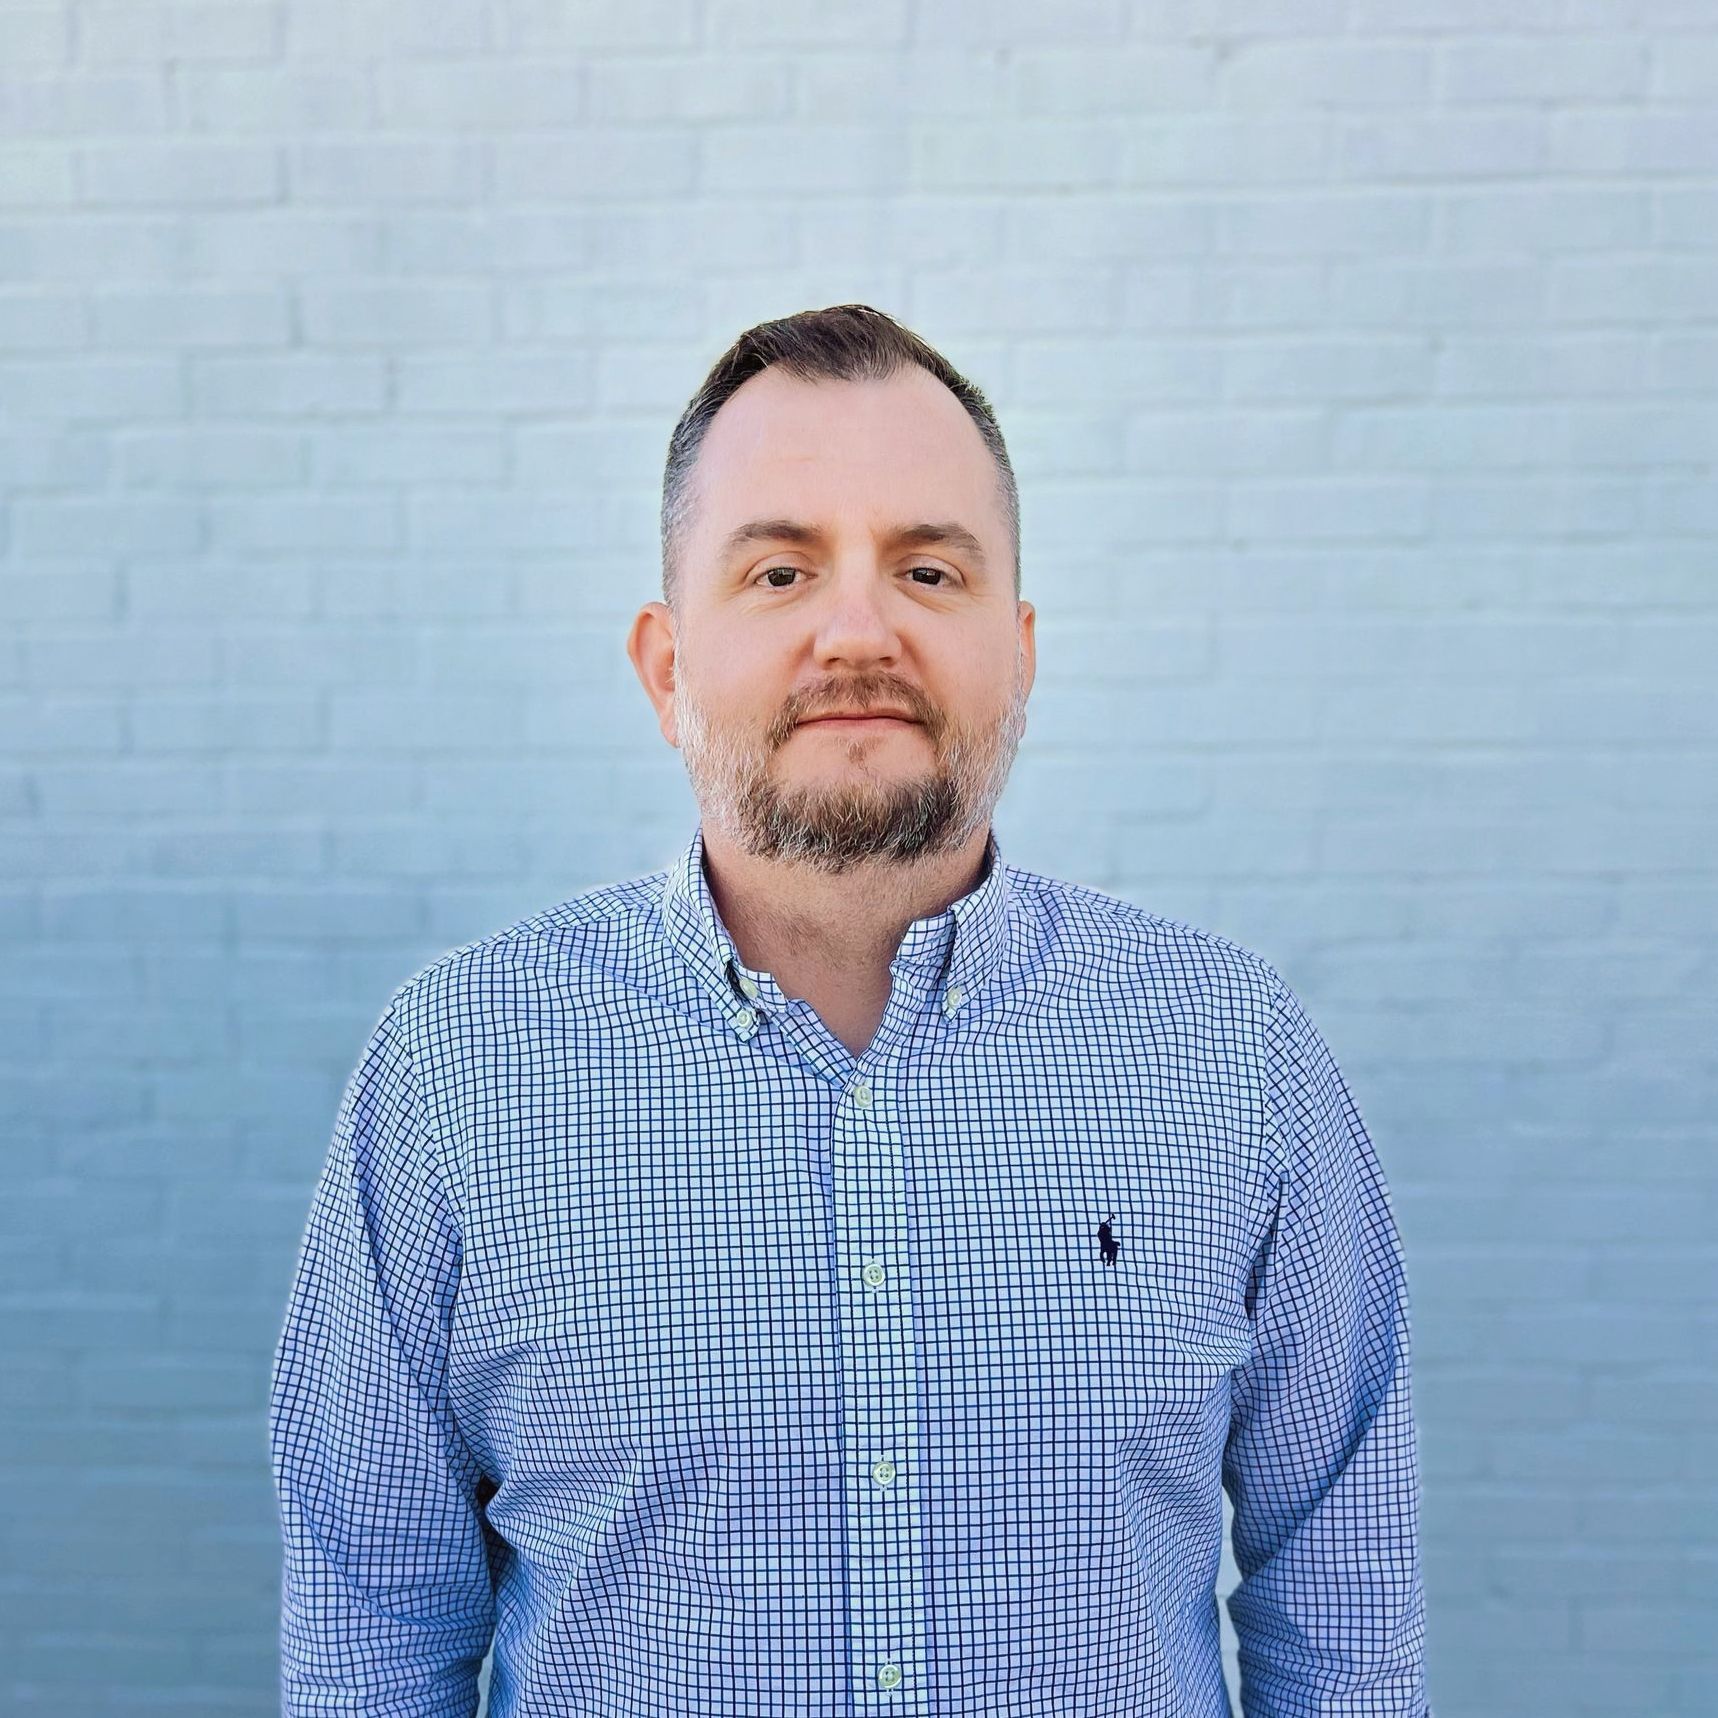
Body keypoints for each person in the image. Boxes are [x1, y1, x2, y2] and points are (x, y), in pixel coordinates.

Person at [268, 304, 1429, 1716]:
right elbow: (372, 1630)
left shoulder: (1235, 1058)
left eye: (926, 568)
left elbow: (1346, 1624)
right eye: (779, 569)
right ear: (665, 664)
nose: (858, 628)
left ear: (1019, 649)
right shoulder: (456, 1070)